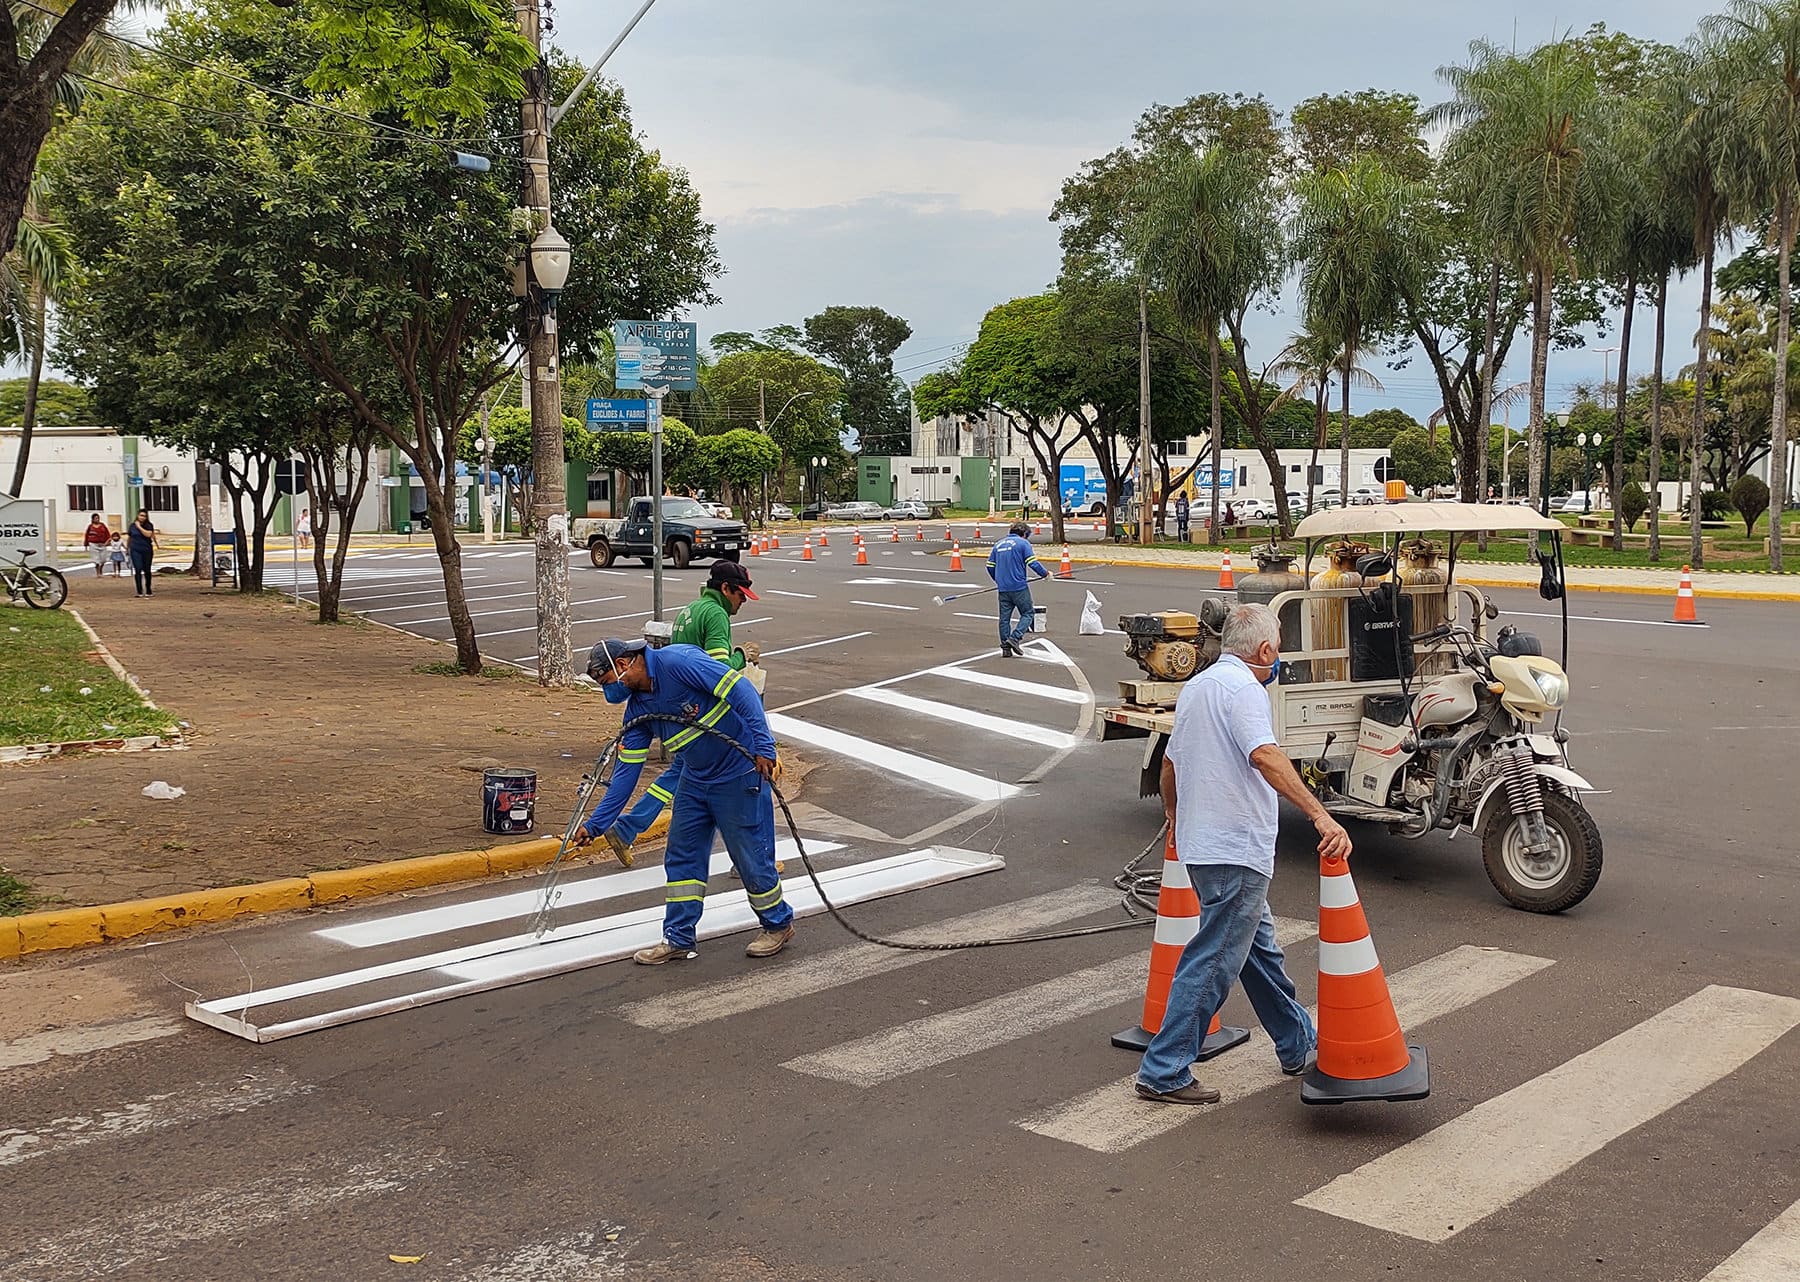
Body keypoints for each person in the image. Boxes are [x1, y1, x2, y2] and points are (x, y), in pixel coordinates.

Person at [1135, 603, 1352, 1105]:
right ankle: (1164, 1070)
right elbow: (1265, 755)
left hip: (1205, 845)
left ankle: (1297, 1045)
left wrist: (1175, 817)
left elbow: (1170, 762)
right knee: (1213, 961)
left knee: (1259, 954)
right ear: (1266, 650)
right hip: (1236, 847)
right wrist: (1321, 815)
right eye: (1277, 646)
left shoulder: (1198, 687)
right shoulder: (1246, 691)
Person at [575, 637, 794, 964]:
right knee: (682, 855)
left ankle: (777, 923)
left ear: (622, 665)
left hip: (737, 772)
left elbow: (742, 691)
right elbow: (625, 776)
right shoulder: (638, 710)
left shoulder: (678, 663)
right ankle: (678, 937)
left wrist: (764, 747)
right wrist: (595, 825)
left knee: (749, 854)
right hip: (694, 779)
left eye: (608, 682)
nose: (611, 692)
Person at [599, 560, 763, 859]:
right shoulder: (716, 614)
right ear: (725, 589)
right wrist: (742, 656)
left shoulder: (691, 609)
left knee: (676, 776)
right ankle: (753, 861)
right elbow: (720, 670)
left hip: (683, 722)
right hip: (710, 726)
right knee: (742, 791)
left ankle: (627, 829)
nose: (742, 602)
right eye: (740, 594)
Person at [985, 520, 1050, 658]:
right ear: (1024, 533)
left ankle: (1005, 648)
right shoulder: (1023, 543)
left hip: (1003, 589)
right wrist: (1045, 574)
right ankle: (1015, 638)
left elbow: (990, 566)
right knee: (1027, 613)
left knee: (1004, 619)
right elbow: (1032, 563)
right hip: (1019, 587)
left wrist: (998, 580)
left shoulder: (998, 544)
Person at [126, 511, 158, 597]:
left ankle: (148, 589)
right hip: (135, 550)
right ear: (137, 515)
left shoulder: (149, 525)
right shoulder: (132, 526)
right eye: (141, 515)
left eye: (144, 516)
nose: (142, 517)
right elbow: (130, 537)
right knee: (138, 569)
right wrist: (127, 548)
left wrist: (139, 527)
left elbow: (148, 534)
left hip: (146, 550)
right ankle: (139, 591)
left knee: (147, 570)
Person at [82, 514, 111, 578]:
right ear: (92, 519)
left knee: (103, 559)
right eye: (95, 518)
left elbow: (108, 535)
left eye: (98, 518)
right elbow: (86, 535)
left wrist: (107, 542)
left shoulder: (103, 526)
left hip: (102, 544)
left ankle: (101, 569)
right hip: (93, 544)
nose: (97, 519)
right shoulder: (90, 527)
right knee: (96, 560)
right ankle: (98, 572)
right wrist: (86, 544)